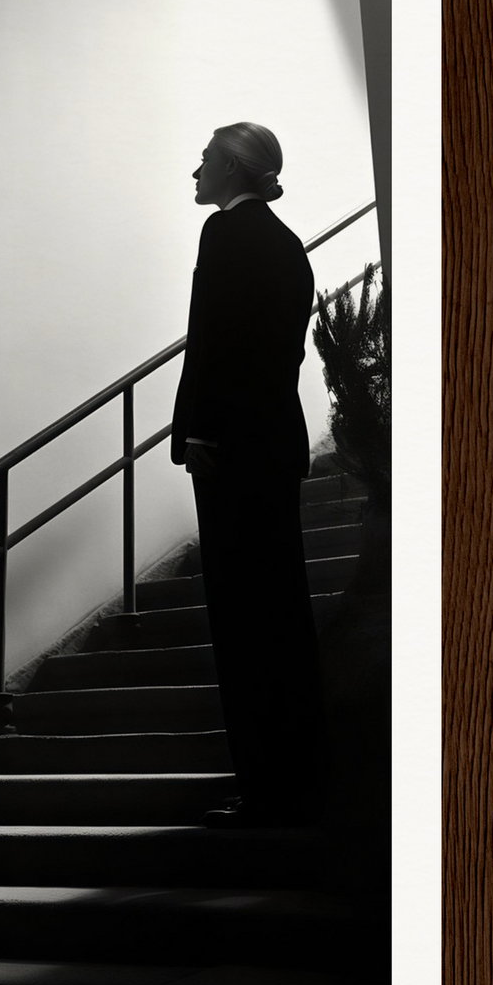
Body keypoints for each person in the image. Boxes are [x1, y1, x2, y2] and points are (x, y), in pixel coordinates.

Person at [170, 122, 327, 826]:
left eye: (204, 160)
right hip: (268, 444)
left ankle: (265, 790)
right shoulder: (284, 241)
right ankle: (292, 784)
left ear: (232, 166)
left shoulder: (228, 236)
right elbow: (275, 355)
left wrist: (196, 428)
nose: (193, 171)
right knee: (280, 615)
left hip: (230, 450)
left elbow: (217, 341)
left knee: (243, 622)